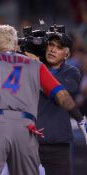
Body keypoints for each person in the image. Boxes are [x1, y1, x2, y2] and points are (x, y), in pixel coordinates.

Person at [0, 24, 87, 175]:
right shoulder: (35, 65)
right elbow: (61, 95)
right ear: (15, 45)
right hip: (26, 128)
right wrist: (80, 119)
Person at [36, 30, 81, 175]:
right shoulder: (32, 68)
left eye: (59, 47)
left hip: (58, 142)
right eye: (50, 44)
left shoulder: (72, 71)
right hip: (31, 140)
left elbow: (66, 91)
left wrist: (39, 70)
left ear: (66, 54)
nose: (53, 49)